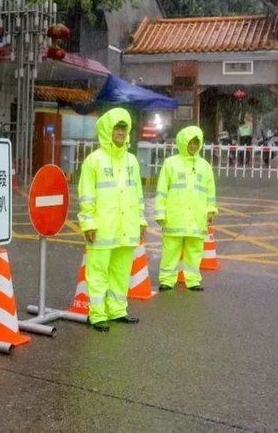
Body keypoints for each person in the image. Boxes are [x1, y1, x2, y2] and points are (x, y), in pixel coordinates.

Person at [77, 108, 146, 332]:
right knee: (98, 271)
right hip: (102, 228)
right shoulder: (94, 161)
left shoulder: (132, 161)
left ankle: (117, 310)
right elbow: (86, 195)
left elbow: (138, 194)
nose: (120, 132)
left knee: (120, 270)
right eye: (117, 128)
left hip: (127, 227)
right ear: (108, 130)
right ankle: (97, 314)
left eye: (124, 128)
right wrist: (88, 223)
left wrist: (141, 222)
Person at [154, 126, 217, 292]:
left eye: (197, 143)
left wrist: (211, 210)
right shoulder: (171, 164)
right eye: (190, 143)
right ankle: (167, 280)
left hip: (197, 216)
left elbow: (210, 191)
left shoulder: (204, 166)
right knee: (170, 249)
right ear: (183, 142)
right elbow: (162, 190)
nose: (193, 146)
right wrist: (160, 212)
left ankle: (192, 279)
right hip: (174, 217)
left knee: (195, 250)